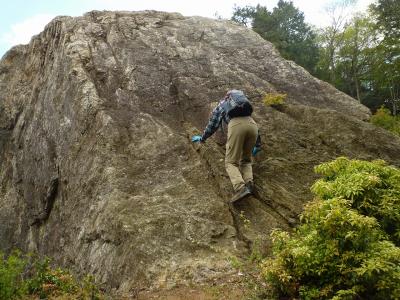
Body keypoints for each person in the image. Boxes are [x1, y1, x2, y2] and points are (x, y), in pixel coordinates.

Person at [192, 90, 261, 202]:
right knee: (246, 160)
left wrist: (203, 138)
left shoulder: (223, 103)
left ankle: (240, 188)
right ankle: (249, 183)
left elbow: (213, 123)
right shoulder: (245, 106)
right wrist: (257, 144)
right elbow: (251, 124)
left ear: (228, 96)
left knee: (230, 162)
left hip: (237, 126)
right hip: (253, 126)